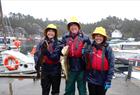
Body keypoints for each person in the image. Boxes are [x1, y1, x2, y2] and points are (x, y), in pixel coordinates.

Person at [62, 16, 91, 95]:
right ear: (69, 27)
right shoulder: (65, 37)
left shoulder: (85, 38)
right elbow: (61, 49)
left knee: (82, 90)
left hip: (82, 67)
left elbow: (90, 50)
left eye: (75, 25)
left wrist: (85, 51)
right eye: (71, 25)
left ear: (78, 27)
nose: (73, 27)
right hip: (69, 67)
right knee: (69, 89)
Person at [34, 24, 63, 95]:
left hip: (55, 70)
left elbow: (55, 57)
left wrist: (46, 52)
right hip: (45, 70)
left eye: (53, 31)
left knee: (55, 91)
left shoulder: (58, 43)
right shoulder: (41, 42)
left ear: (55, 33)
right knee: (45, 91)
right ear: (46, 32)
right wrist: (37, 64)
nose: (50, 33)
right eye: (49, 31)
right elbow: (36, 54)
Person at [85, 26, 115, 95]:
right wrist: (84, 53)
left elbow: (111, 65)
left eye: (101, 36)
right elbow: (86, 62)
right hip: (91, 79)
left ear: (104, 37)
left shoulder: (108, 49)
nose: (98, 38)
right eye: (97, 36)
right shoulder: (90, 47)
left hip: (103, 79)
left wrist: (108, 80)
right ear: (94, 36)